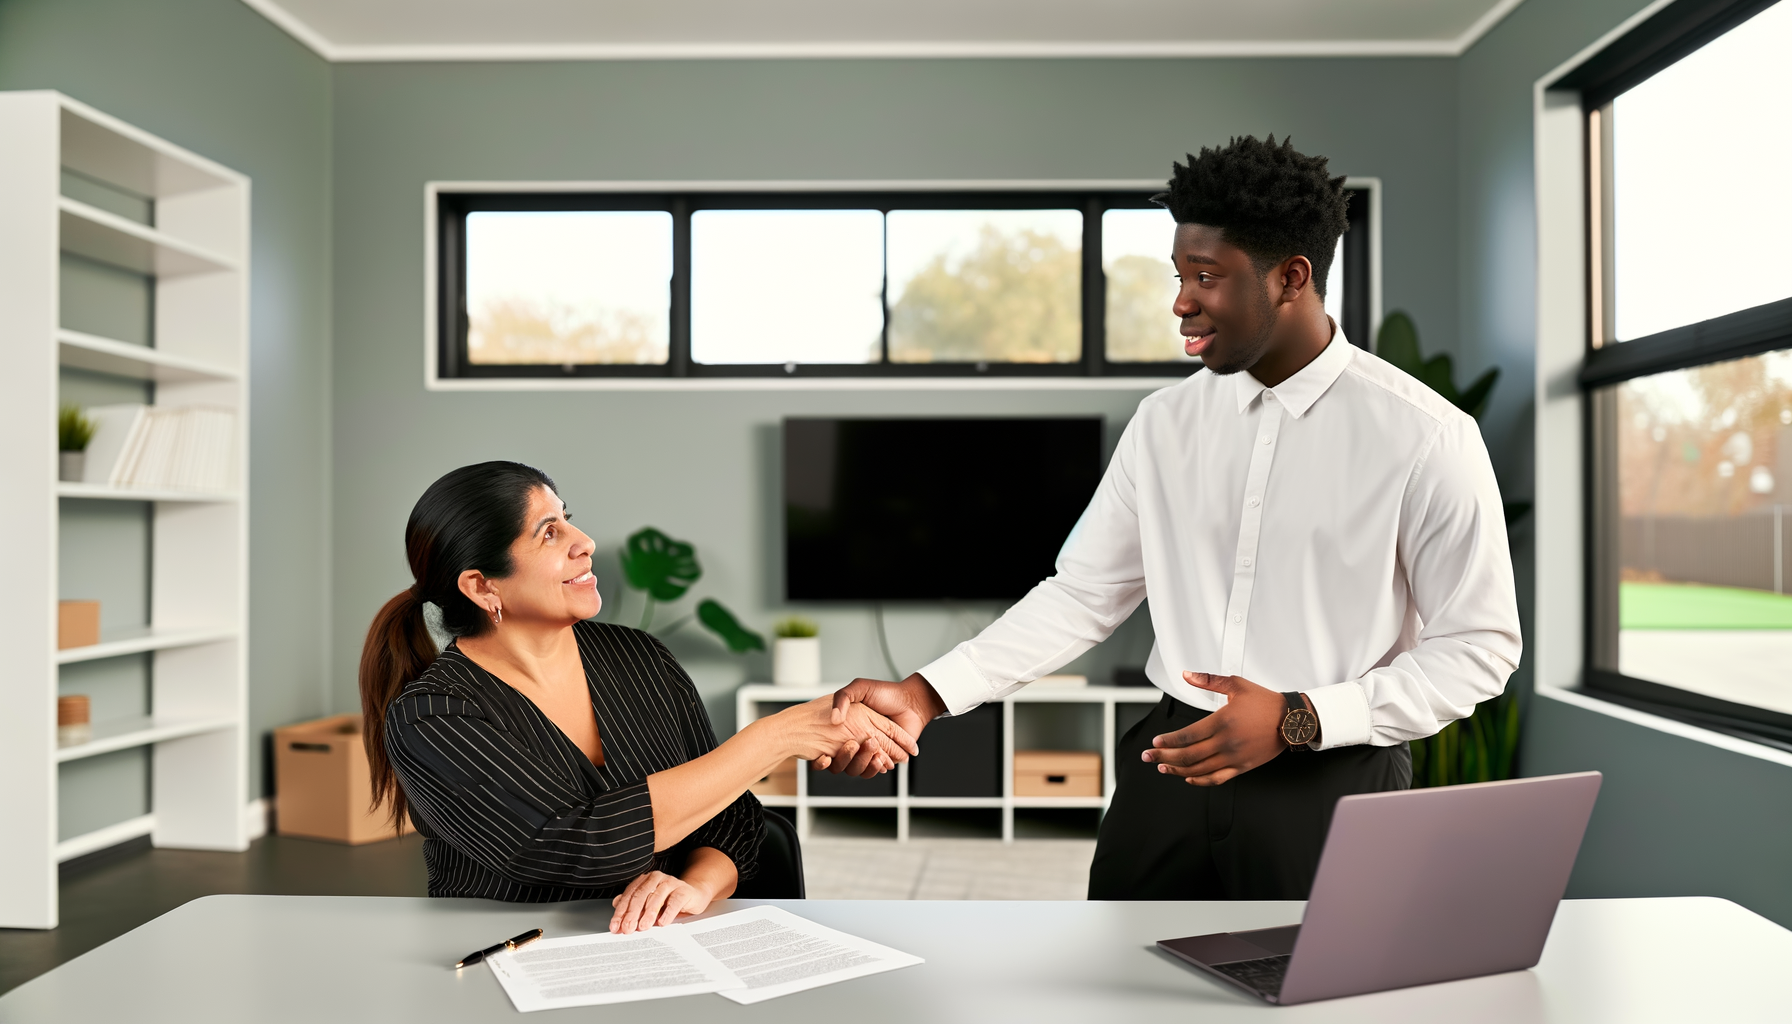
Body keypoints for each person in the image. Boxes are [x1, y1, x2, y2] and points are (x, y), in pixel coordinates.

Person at [829, 136, 1520, 900]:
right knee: (1121, 975)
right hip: (1171, 759)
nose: (1181, 301)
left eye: (1207, 277)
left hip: (1331, 774)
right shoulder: (1164, 423)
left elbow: (1480, 646)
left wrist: (1300, 718)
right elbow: (1083, 592)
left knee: (1311, 995)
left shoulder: (1424, 435)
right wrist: (927, 694)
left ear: (1292, 277)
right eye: (1180, 274)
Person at [359, 461, 915, 931]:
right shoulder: (432, 715)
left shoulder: (638, 658)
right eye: (549, 533)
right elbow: (572, 846)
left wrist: (691, 886)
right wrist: (777, 735)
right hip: (514, 960)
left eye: (568, 521)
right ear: (482, 586)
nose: (586, 543)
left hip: (662, 948)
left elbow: (735, 820)